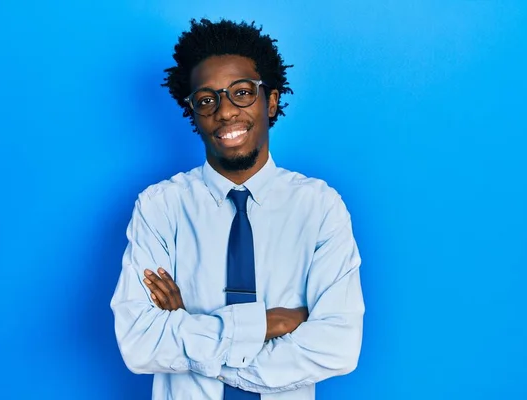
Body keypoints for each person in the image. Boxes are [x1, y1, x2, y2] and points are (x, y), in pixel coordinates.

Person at [111, 18, 365, 400]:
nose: (226, 112)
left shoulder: (319, 208)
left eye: (242, 92)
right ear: (194, 112)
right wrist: (268, 324)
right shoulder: (160, 208)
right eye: (207, 99)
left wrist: (190, 330)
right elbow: (139, 342)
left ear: (272, 100)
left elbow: (339, 346)